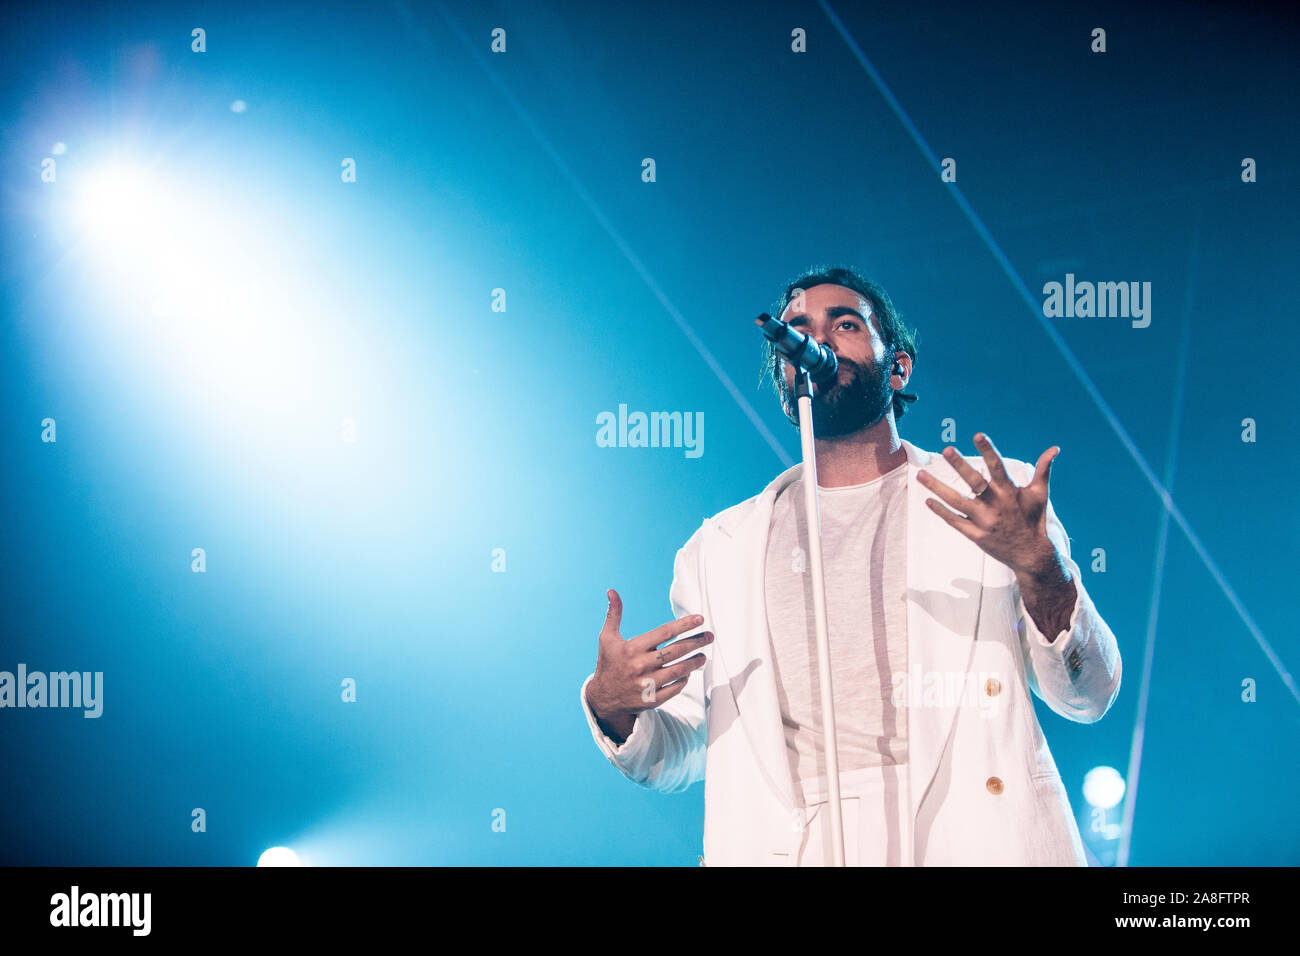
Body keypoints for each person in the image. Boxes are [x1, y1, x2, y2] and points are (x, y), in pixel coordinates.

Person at [579, 265, 1122, 866]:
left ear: (898, 366)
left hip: (972, 840)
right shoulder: (717, 551)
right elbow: (685, 750)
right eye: (799, 329)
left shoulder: (996, 498)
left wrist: (1042, 570)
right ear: (786, 372)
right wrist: (613, 704)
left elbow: (1087, 694)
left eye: (846, 323)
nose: (820, 340)